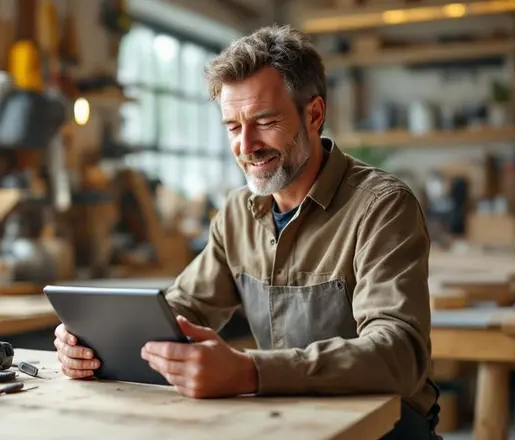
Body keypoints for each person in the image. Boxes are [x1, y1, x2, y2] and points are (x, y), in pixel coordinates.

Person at [53, 24, 441, 439]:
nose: (246, 145)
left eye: (265, 121)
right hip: (287, 420)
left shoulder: (381, 206)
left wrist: (250, 370)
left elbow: (400, 355)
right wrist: (94, 341)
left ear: (314, 115)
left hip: (387, 426)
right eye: (233, 127)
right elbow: (183, 308)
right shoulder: (237, 213)